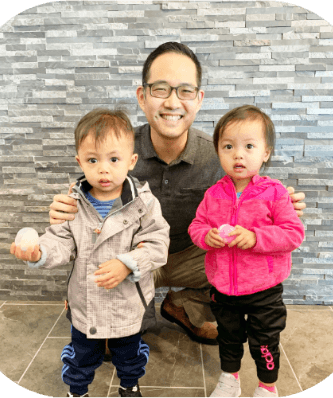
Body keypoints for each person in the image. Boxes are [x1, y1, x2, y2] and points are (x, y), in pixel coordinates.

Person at [48, 42, 306, 346]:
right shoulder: (118, 150)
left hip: (193, 257)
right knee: (111, 339)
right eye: (160, 89)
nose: (173, 102)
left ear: (198, 99)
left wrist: (279, 204)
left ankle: (186, 305)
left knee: (238, 265)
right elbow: (85, 205)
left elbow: (253, 194)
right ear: (142, 97)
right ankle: (115, 312)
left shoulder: (221, 155)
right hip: (135, 255)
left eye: (185, 91)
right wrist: (67, 210)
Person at [10, 109, 170, 398]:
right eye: (93, 160)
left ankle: (130, 384)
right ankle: (77, 390)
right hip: (86, 302)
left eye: (113, 159)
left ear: (131, 161)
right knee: (81, 355)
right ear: (79, 161)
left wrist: (128, 263)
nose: (103, 169)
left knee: (129, 354)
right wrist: (39, 252)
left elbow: (158, 244)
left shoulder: (143, 203)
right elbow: (61, 241)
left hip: (127, 302)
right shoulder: (73, 202)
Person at [188, 105, 305, 397]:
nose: (238, 154)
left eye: (249, 146)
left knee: (264, 341)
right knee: (228, 337)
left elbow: (293, 234)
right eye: (228, 146)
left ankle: (267, 386)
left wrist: (255, 237)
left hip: (263, 291)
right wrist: (207, 236)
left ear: (265, 152)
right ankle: (230, 378)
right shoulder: (213, 194)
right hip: (223, 290)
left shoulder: (275, 193)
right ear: (218, 151)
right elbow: (196, 226)